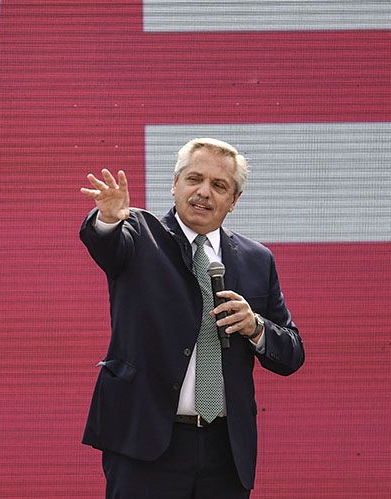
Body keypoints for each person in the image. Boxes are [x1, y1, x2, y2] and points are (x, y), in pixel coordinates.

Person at [78, 138, 304, 497]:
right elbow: (106, 242)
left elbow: (292, 352)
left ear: (234, 201)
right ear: (174, 183)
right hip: (148, 442)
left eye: (219, 186)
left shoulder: (256, 259)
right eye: (194, 179)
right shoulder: (139, 233)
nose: (203, 192)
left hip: (225, 451)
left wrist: (256, 327)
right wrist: (107, 219)